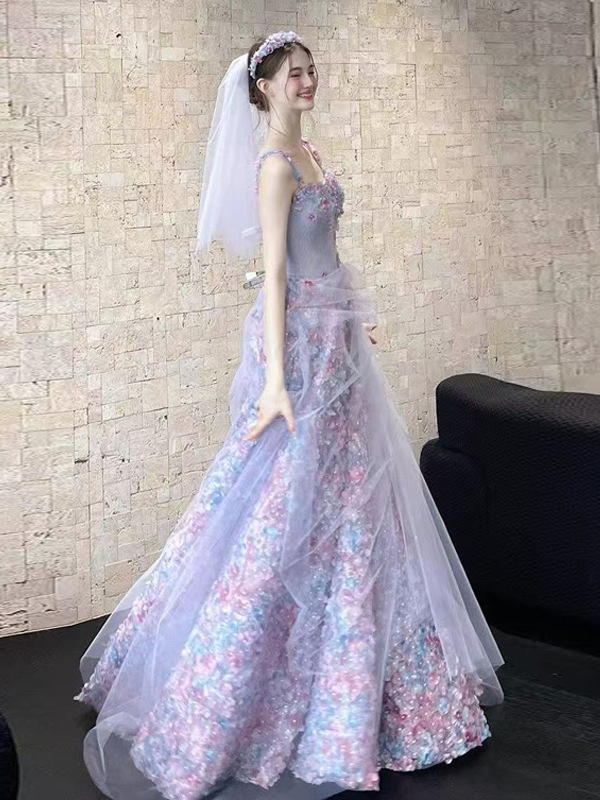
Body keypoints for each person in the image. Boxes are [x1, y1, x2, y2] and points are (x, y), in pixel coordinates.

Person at [73, 30, 505, 800]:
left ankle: (375, 690)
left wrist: (351, 319)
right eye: (295, 74)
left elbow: (321, 256)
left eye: (311, 70)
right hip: (299, 353)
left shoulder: (309, 153)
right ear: (264, 87)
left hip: (337, 344)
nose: (308, 81)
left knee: (357, 502)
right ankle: (234, 684)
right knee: (279, 501)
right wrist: (276, 380)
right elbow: (273, 276)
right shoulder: (275, 165)